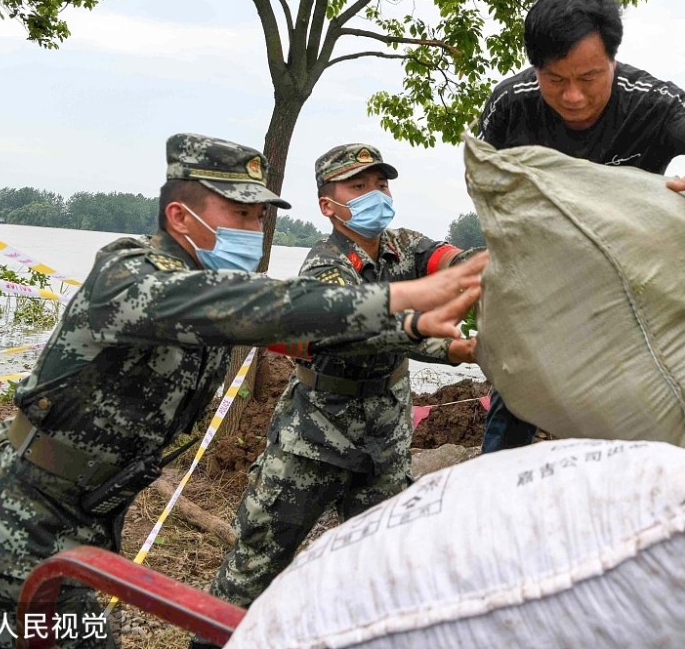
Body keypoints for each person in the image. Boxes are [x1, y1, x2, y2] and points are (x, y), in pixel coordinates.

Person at [0, 133, 485, 649]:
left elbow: (297, 329)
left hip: (93, 514)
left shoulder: (215, 292)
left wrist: (419, 329)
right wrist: (404, 298)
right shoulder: (127, 276)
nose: (255, 227)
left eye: (260, 216)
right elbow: (260, 306)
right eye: (240, 213)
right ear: (180, 217)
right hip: (18, 509)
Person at [188, 144, 480, 648]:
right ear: (329, 205)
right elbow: (352, 329)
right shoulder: (324, 266)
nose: (375, 195)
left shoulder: (403, 246)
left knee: (382, 566)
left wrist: (490, 261)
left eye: (381, 184)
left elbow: (451, 259)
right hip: (313, 441)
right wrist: (451, 347)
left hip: (384, 441)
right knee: (254, 567)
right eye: (358, 187)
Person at [475, 0, 685, 452]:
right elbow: (485, 183)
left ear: (612, 59)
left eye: (590, 77)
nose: (573, 96)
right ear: (535, 69)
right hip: (546, 289)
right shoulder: (512, 105)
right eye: (555, 79)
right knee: (513, 397)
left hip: (632, 290)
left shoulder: (651, 101)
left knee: (641, 412)